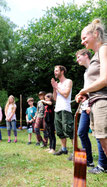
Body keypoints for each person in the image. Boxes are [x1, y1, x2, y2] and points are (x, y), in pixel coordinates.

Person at [76, 19, 107, 174]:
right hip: (95, 102)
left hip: (103, 101)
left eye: (84, 38)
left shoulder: (103, 49)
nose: (82, 42)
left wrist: (83, 91)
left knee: (104, 138)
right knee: (101, 139)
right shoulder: (96, 54)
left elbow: (104, 79)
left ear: (95, 34)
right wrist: (86, 94)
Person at [75, 49, 94, 167]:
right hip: (86, 106)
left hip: (94, 105)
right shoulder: (86, 72)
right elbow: (88, 90)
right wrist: (81, 96)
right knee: (81, 132)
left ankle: (103, 164)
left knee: (98, 135)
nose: (77, 60)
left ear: (86, 55)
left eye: (78, 57)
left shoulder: (95, 68)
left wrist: (91, 105)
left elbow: (99, 89)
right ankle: (89, 160)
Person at [51, 65, 74, 159]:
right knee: (59, 131)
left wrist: (57, 87)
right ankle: (63, 149)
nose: (55, 72)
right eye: (54, 71)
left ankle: (75, 151)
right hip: (57, 109)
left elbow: (65, 94)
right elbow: (55, 98)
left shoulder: (68, 81)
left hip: (65, 109)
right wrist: (54, 88)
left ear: (62, 71)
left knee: (69, 130)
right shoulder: (58, 84)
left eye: (56, 70)